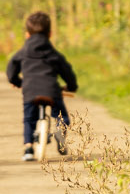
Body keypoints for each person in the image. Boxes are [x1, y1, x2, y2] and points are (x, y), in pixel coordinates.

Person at [6, 11, 77, 161]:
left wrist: (18, 82)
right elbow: (67, 71)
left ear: (27, 34)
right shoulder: (54, 54)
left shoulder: (22, 53)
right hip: (52, 90)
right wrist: (71, 87)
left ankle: (28, 148)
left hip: (30, 90)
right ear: (50, 34)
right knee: (61, 115)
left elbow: (11, 69)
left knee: (29, 119)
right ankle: (60, 130)